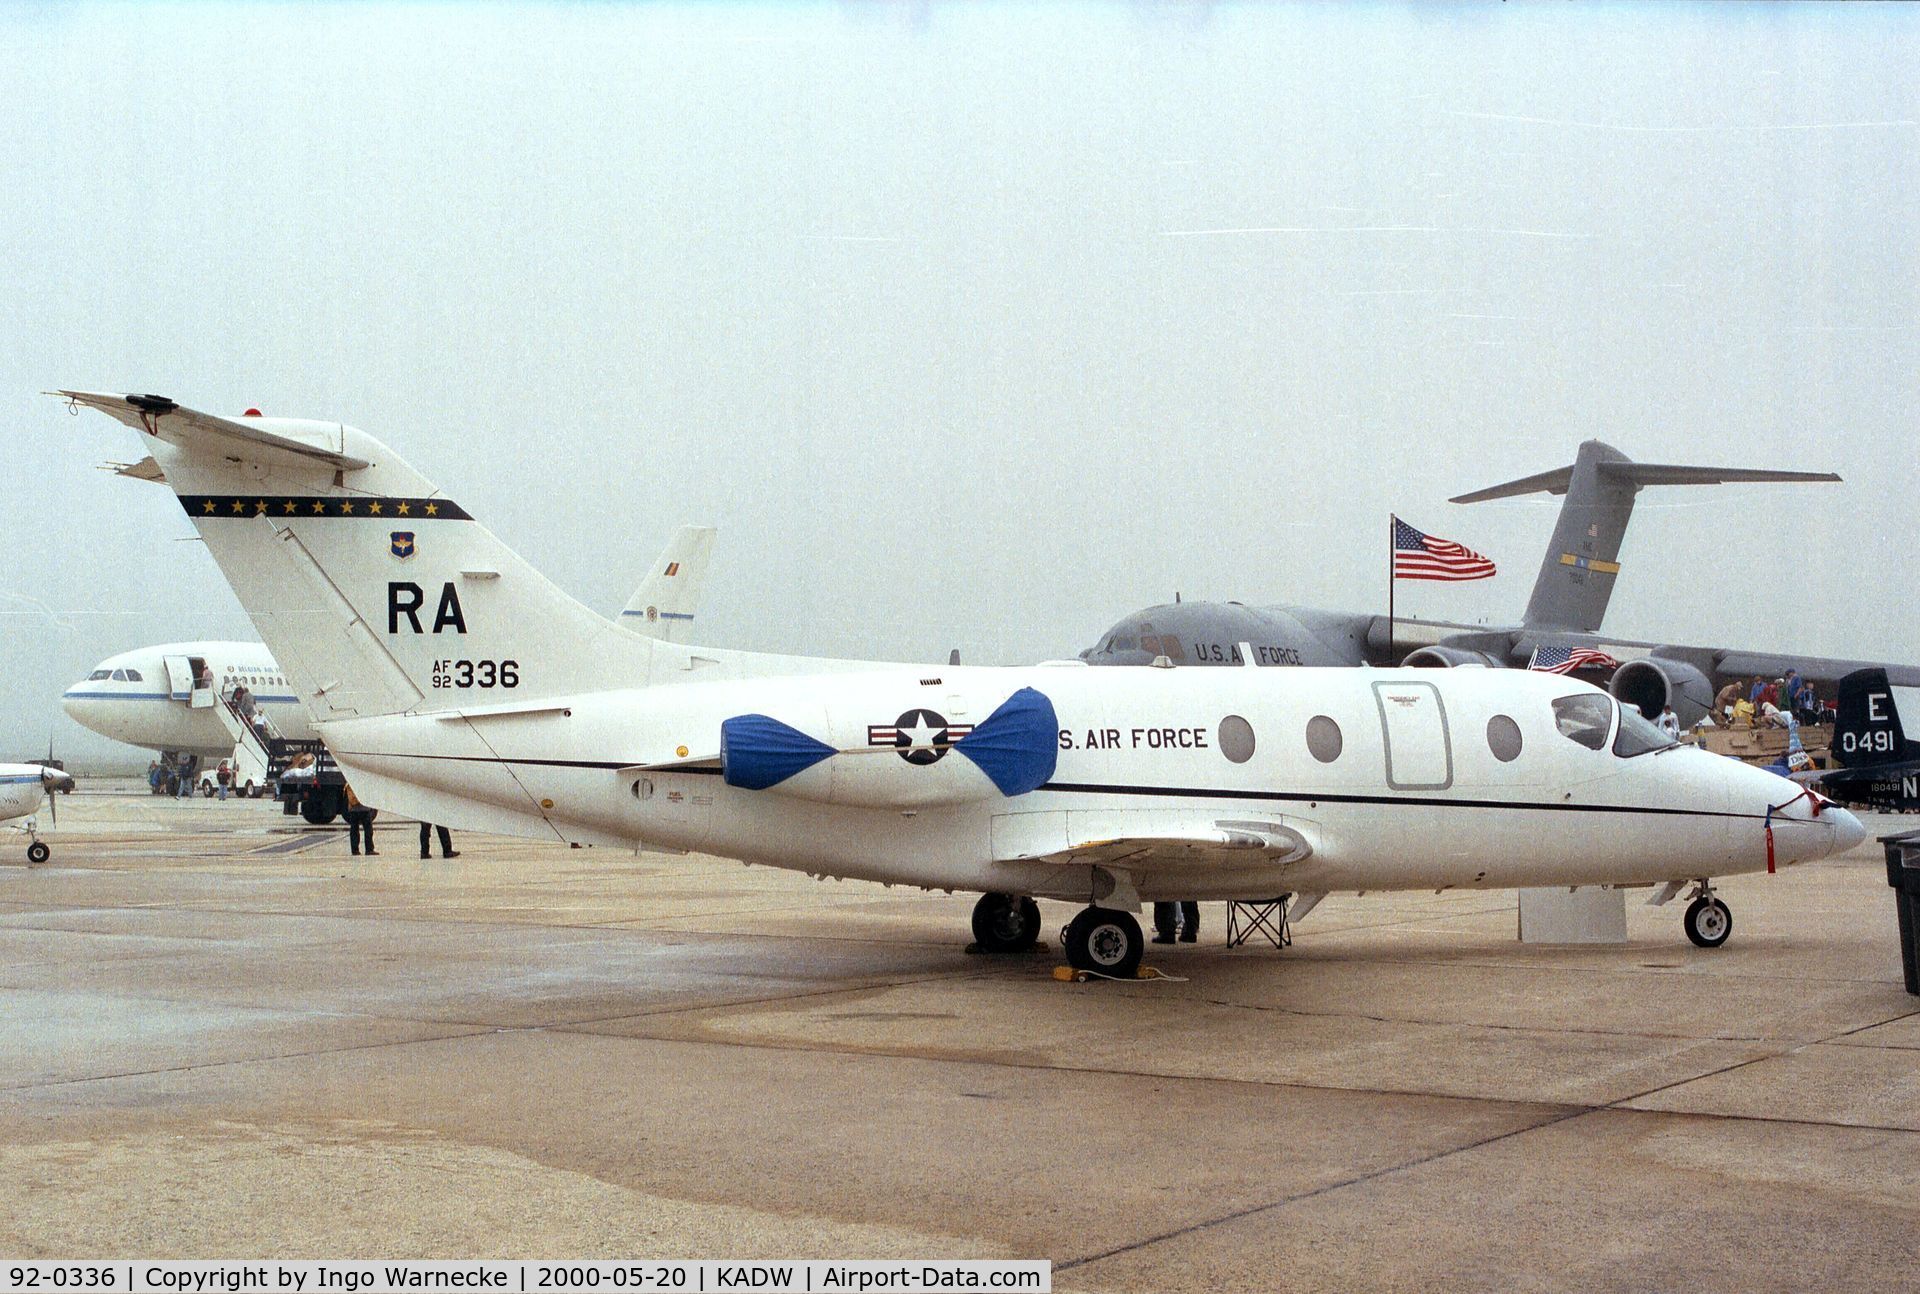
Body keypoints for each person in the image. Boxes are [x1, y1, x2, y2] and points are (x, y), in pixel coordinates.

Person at [343, 782, 378, 856]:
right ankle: (369, 849)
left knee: (354, 830)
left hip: (354, 809)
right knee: (368, 830)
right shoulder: (363, 783)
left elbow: (349, 797)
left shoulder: (349, 784)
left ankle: (355, 850)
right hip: (363, 809)